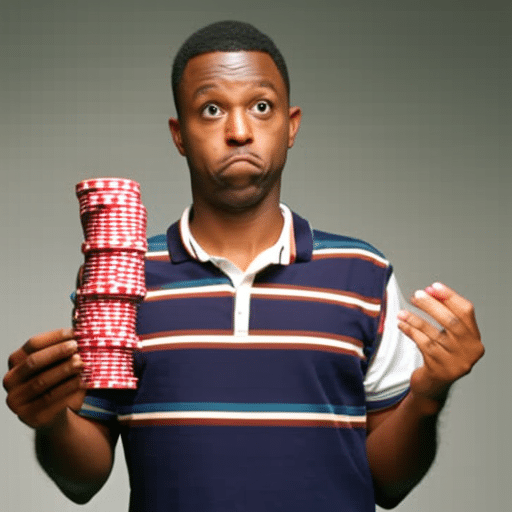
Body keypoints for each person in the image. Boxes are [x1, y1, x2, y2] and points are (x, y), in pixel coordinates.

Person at [3, 20, 484, 512]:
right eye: (211, 110)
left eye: (260, 107)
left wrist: (428, 397)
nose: (238, 131)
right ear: (180, 134)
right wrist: (51, 421)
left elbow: (388, 486)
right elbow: (83, 482)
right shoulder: (121, 276)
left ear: (290, 125)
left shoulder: (362, 272)